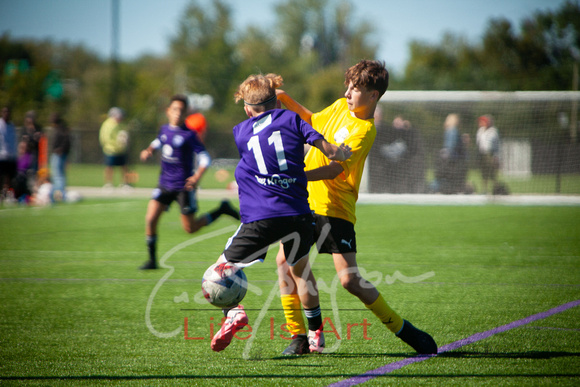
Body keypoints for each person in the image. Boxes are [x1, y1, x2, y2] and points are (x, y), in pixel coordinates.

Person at [274, 59, 437, 355]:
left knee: (349, 280)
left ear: (373, 95)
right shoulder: (339, 107)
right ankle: (302, 337)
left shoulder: (364, 131)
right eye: (348, 86)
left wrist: (296, 175)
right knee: (285, 264)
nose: (348, 93)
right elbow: (311, 119)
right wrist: (283, 99)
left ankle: (403, 329)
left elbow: (335, 170)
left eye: (356, 88)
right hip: (305, 202)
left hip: (336, 208)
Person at [208, 73, 352, 354]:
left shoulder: (240, 131)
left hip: (260, 218)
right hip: (299, 217)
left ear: (248, 109)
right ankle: (316, 336)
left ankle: (233, 313)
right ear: (277, 103)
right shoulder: (293, 120)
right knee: (300, 271)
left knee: (219, 271)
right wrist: (343, 153)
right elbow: (329, 151)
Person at [139, 94, 240, 270]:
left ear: (186, 114)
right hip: (164, 184)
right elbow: (158, 141)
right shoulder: (164, 129)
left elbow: (205, 158)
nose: (178, 113)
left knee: (190, 228)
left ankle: (222, 209)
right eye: (175, 109)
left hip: (183, 187)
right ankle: (152, 260)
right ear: (168, 111)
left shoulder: (190, 135)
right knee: (150, 219)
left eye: (182, 110)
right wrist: (148, 150)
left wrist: (196, 177)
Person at [433, 113, 468, 194]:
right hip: (456, 164)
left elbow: (449, 149)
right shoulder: (453, 131)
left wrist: (443, 159)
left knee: (442, 182)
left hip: (453, 164)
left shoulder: (451, 131)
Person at [99, 107, 130, 188]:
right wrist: (117, 143)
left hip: (121, 150)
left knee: (124, 166)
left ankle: (125, 183)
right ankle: (108, 183)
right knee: (109, 167)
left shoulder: (121, 124)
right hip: (111, 150)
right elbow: (105, 138)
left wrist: (124, 139)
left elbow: (124, 134)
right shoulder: (108, 124)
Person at [49, 113, 72, 201]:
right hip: (60, 155)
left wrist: (61, 149)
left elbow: (66, 143)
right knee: (60, 175)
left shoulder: (60, 130)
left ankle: (60, 194)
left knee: (58, 175)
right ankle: (60, 193)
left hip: (58, 155)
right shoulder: (62, 129)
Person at [476, 114, 500, 194]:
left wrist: (496, 156)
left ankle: (496, 189)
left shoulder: (493, 131)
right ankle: (484, 190)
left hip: (490, 154)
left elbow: (496, 145)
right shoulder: (480, 131)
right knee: (484, 173)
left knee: (492, 174)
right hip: (482, 154)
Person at [0, 106, 18, 202]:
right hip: (2, 155)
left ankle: (7, 194)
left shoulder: (11, 125)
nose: (6, 114)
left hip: (11, 155)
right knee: (1, 176)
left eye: (8, 112)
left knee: (9, 177)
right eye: (4, 111)